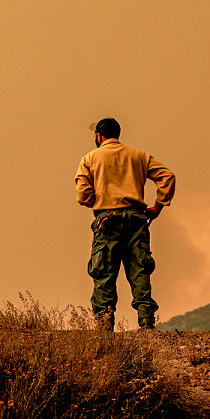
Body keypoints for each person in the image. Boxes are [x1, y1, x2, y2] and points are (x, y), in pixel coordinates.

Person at [75, 117, 176, 330]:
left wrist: (101, 201)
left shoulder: (89, 159)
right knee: (139, 270)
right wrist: (158, 206)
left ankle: (104, 325)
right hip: (136, 220)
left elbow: (83, 195)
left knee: (103, 274)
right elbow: (167, 176)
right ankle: (147, 322)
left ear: (98, 136)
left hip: (107, 220)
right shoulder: (138, 156)